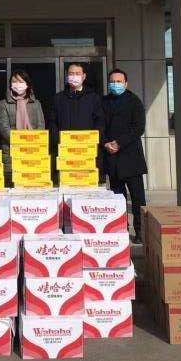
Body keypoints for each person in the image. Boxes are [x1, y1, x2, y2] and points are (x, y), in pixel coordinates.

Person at [102, 68, 147, 245]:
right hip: (112, 157)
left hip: (131, 157)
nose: (115, 84)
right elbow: (100, 125)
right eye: (112, 81)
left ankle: (140, 230)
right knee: (117, 198)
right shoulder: (104, 102)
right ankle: (121, 228)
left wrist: (119, 143)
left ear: (126, 83)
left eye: (119, 81)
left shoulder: (134, 102)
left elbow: (138, 128)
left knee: (137, 198)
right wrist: (105, 143)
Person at [49, 63, 105, 174]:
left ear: (84, 76)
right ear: (66, 76)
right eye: (71, 74)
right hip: (65, 151)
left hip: (87, 151)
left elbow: (100, 122)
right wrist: (59, 140)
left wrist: (92, 141)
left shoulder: (93, 98)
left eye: (77, 74)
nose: (74, 76)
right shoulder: (58, 98)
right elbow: (52, 122)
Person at [0, 69, 45, 178]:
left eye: (21, 81)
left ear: (27, 84)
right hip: (11, 151)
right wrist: (21, 142)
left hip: (33, 150)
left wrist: (30, 142)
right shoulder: (3, 104)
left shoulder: (36, 103)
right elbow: (4, 129)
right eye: (14, 81)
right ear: (10, 84)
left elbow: (41, 126)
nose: (17, 84)